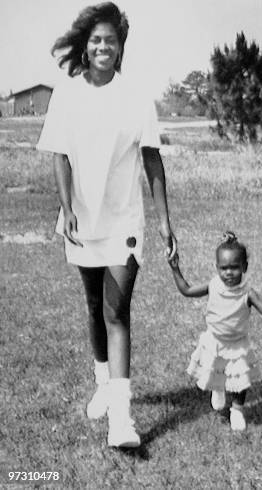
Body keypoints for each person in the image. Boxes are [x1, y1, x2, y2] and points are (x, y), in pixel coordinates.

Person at [36, 2, 177, 448]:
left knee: (117, 311)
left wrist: (164, 220)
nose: (103, 47)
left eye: (110, 41)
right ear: (86, 45)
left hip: (124, 220)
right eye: (96, 40)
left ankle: (122, 419)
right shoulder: (67, 92)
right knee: (94, 304)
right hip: (81, 218)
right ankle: (103, 382)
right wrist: (67, 207)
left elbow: (151, 158)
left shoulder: (136, 96)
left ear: (120, 48)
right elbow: (59, 154)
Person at [168, 232, 262, 431]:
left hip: (238, 342)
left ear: (244, 267)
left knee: (241, 378)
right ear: (217, 268)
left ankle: (237, 409)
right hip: (215, 340)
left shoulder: (247, 292)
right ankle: (218, 388)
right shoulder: (213, 286)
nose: (229, 273)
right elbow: (187, 290)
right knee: (214, 368)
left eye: (234, 268)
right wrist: (175, 268)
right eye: (224, 268)